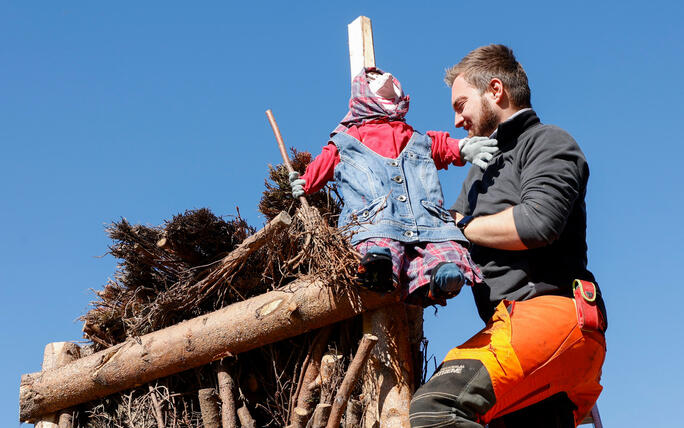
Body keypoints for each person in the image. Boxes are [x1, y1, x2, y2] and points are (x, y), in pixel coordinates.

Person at [408, 44, 607, 427]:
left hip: (553, 313)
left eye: (461, 103)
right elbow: (451, 243)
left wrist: (462, 225)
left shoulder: (548, 142)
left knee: (435, 408)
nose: (456, 120)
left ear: (495, 90)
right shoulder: (478, 177)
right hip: (508, 328)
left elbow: (538, 223)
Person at [289, 67, 495, 305]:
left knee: (440, 252)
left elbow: (438, 146)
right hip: (375, 223)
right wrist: (306, 181)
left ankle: (437, 280)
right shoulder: (346, 142)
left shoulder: (414, 137)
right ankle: (379, 270)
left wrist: (462, 147)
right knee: (380, 249)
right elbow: (324, 164)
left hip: (427, 224)